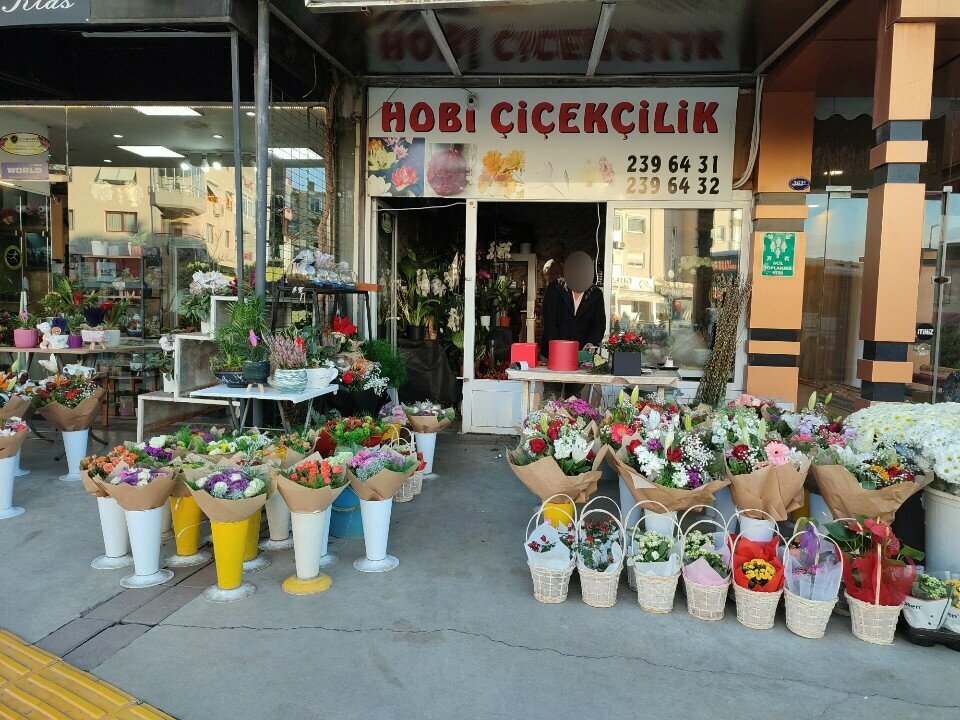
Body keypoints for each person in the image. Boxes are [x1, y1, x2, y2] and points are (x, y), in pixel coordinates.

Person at [538, 251, 605, 399]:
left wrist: (591, 343)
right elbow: (549, 322)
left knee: (573, 396)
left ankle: (572, 422)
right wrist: (560, 348)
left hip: (579, 355)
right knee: (551, 394)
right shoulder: (555, 289)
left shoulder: (595, 294)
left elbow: (599, 324)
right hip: (552, 353)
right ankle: (549, 422)